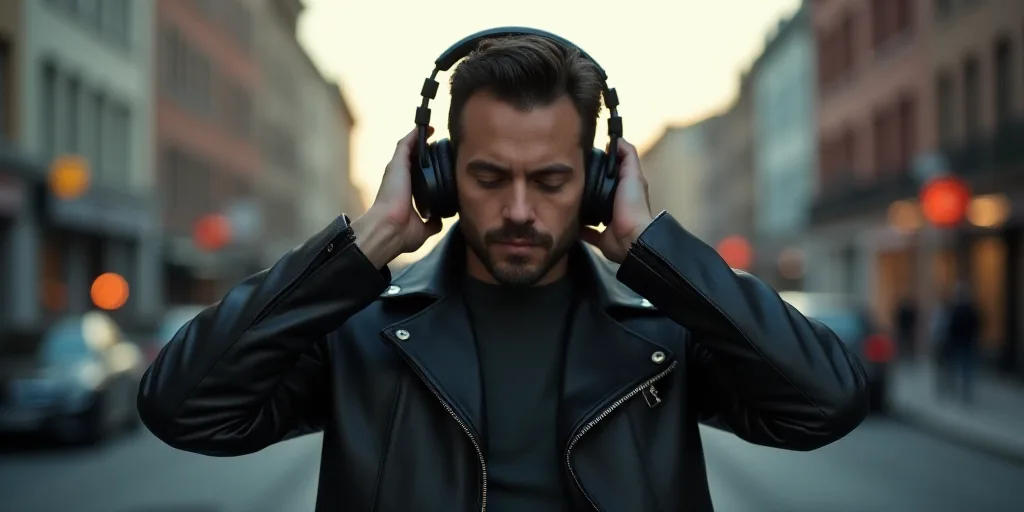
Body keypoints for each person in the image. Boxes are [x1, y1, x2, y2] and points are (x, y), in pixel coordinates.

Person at [138, 31, 869, 512]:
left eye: (550, 180)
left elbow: (826, 402)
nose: (519, 210)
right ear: (440, 175)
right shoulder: (361, 332)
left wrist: (657, 250)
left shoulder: (664, 334)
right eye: (488, 177)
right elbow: (182, 407)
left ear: (598, 183)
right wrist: (368, 241)